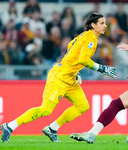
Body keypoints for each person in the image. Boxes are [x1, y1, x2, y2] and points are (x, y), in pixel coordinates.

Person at [0, 13, 117, 143]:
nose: (105, 26)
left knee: (82, 106)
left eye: (105, 23)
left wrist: (74, 69)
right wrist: (102, 68)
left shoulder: (84, 35)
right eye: (102, 23)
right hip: (60, 77)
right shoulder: (91, 38)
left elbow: (70, 46)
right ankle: (10, 126)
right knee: (45, 110)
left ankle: (52, 128)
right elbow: (83, 59)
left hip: (69, 77)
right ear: (93, 25)